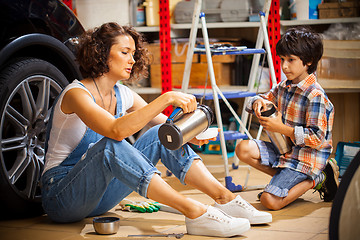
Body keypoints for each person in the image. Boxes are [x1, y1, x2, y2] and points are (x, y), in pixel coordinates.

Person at [40, 22, 272, 238]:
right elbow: (115, 130)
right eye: (124, 52)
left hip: (100, 198)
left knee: (160, 134)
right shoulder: (76, 94)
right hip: (62, 197)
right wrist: (167, 97)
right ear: (101, 53)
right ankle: (194, 211)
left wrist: (190, 135)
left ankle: (225, 197)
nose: (132, 59)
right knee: (111, 145)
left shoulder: (122, 94)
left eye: (133, 53)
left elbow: (167, 128)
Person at [235, 26, 338, 211]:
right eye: (282, 59)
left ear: (309, 61)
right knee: (242, 148)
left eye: (291, 60)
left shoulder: (315, 96)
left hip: (306, 158)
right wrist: (257, 102)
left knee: (270, 201)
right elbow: (260, 99)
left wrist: (281, 128)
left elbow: (316, 138)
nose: (284, 66)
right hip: (285, 152)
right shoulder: (284, 86)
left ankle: (317, 178)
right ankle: (282, 184)